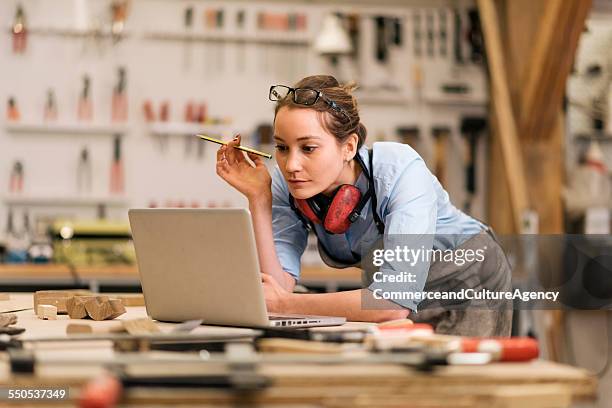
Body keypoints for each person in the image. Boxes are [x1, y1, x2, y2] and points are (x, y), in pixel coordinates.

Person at [216, 75, 512, 336]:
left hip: (467, 279)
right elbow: (276, 288)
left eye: (308, 148)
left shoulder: (399, 170)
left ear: (349, 147)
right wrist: (259, 200)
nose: (291, 164)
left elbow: (392, 303)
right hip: (391, 292)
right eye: (282, 147)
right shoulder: (287, 184)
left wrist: (288, 304)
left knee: (460, 389)